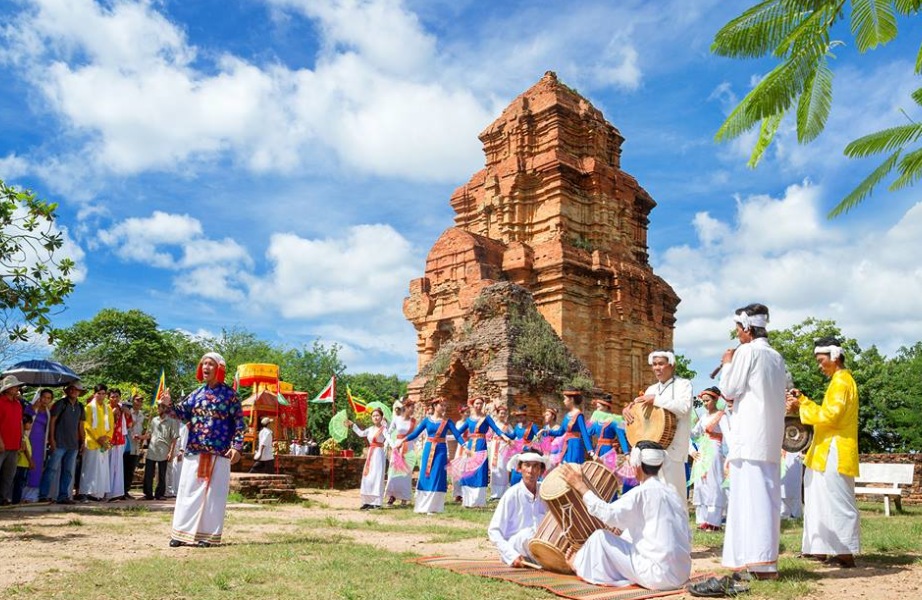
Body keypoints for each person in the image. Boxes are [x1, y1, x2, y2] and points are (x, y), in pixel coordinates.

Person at [561, 441, 692, 591]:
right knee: (624, 534)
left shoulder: (641, 492)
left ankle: (577, 564)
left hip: (657, 576)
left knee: (600, 538)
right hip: (681, 573)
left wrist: (580, 486)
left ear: (637, 466)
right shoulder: (673, 493)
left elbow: (608, 514)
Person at [719, 303, 787, 579]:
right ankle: (763, 563)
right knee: (765, 500)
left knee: (749, 501)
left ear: (747, 328)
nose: (736, 334)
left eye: (737, 329)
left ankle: (757, 564)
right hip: (769, 438)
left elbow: (728, 389)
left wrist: (727, 364)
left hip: (749, 437)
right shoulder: (777, 356)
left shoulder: (747, 352)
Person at [787, 337, 860, 568]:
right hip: (824, 450)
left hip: (835, 450)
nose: (820, 366)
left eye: (821, 361)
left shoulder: (842, 382)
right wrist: (804, 401)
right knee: (816, 498)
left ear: (835, 357)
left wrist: (801, 406)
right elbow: (825, 413)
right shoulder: (838, 381)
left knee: (837, 501)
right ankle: (818, 549)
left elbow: (831, 417)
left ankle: (845, 552)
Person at [166, 352, 245, 547]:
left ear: (219, 369)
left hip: (219, 452)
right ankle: (181, 533)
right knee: (188, 490)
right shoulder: (196, 393)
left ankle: (207, 536)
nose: (206, 367)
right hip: (195, 450)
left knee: (213, 495)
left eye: (210, 364)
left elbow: (239, 424)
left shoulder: (230, 395)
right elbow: (181, 413)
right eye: (203, 364)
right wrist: (168, 404)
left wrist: (237, 446)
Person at [624, 351, 694, 500]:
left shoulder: (683, 385)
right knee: (651, 496)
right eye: (654, 364)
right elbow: (642, 416)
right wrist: (629, 411)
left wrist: (656, 399)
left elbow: (683, 408)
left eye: (661, 364)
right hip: (650, 452)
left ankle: (678, 524)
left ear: (672, 365)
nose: (657, 368)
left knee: (675, 497)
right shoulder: (651, 389)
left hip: (673, 450)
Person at [398, 398, 464, 514]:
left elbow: (457, 435)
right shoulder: (426, 421)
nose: (443, 408)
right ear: (434, 406)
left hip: (441, 450)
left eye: (444, 406)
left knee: (437, 475)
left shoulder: (447, 421)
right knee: (426, 474)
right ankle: (423, 506)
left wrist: (465, 445)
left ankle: (434, 507)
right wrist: (403, 440)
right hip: (428, 449)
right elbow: (415, 433)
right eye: (441, 405)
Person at [487, 450, 550, 566]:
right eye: (527, 465)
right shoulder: (511, 494)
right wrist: (511, 555)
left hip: (541, 546)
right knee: (528, 534)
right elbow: (494, 531)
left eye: (535, 466)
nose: (531, 471)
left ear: (541, 471)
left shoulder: (545, 492)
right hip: (516, 547)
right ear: (519, 469)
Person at [458, 397, 512, 507]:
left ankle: (478, 501)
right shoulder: (469, 420)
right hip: (470, 447)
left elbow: (496, 429)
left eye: (481, 404)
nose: (479, 405)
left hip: (481, 446)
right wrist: (462, 444)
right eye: (477, 403)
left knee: (480, 470)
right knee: (468, 471)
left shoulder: (486, 418)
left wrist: (504, 437)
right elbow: (457, 432)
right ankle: (467, 500)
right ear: (473, 405)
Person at [39, 382, 87, 504]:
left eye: (76, 390)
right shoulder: (61, 404)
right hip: (59, 442)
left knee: (68, 472)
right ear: (67, 391)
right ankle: (43, 495)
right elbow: (52, 422)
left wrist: (83, 441)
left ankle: (63, 496)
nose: (74, 391)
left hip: (73, 444)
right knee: (51, 469)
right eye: (71, 389)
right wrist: (52, 439)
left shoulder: (80, 406)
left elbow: (81, 426)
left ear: (80, 393)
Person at [690, 386, 729, 531]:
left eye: (708, 400)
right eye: (703, 401)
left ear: (715, 400)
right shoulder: (703, 417)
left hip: (714, 448)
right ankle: (702, 519)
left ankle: (714, 520)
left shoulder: (721, 416)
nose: (705, 403)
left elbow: (728, 435)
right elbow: (695, 434)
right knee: (701, 483)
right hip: (702, 450)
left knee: (714, 482)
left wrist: (731, 454)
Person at [345, 408, 388, 509]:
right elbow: (360, 433)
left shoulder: (384, 429)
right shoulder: (370, 429)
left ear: (381, 417)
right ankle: (367, 501)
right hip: (371, 454)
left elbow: (389, 437)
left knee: (377, 477)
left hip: (379, 454)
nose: (375, 417)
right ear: (371, 418)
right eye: (373, 416)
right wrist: (352, 425)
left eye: (377, 415)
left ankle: (376, 503)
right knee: (368, 477)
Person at [80, 383, 113, 501]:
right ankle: (85, 492)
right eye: (99, 393)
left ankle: (97, 494)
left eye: (104, 393)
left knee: (101, 469)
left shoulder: (108, 408)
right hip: (91, 442)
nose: (101, 396)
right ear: (95, 394)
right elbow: (87, 425)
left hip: (104, 443)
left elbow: (111, 426)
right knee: (89, 468)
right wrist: (97, 438)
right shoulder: (88, 407)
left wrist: (106, 438)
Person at [542, 390, 595, 464]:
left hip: (576, 445)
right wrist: (546, 431)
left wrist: (591, 451)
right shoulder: (567, 416)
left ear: (571, 400)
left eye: (565, 398)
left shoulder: (579, 415)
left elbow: (584, 434)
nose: (564, 401)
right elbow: (560, 432)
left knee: (574, 467)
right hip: (567, 445)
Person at [143, 399, 179, 500]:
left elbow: (174, 438)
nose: (158, 408)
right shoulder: (154, 420)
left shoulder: (172, 421)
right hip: (152, 450)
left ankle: (160, 494)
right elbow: (149, 434)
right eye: (158, 406)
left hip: (164, 451)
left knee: (162, 474)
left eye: (159, 406)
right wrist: (140, 437)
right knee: (148, 473)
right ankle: (148, 494)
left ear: (165, 408)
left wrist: (171, 452)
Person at [21, 388, 53, 502]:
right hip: (29, 440)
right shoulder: (30, 407)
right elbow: (24, 421)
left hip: (40, 443)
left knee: (37, 468)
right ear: (40, 397)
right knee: (26, 465)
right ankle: (20, 494)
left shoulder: (48, 412)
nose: (45, 400)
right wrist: (34, 408)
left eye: (48, 398)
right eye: (44, 397)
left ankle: (32, 496)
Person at [0, 375, 26, 505]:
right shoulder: (0, 402)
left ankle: (3, 498)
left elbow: (20, 422)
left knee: (9, 474)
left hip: (14, 444)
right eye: (15, 386)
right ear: (8, 388)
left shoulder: (18, 403)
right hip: (2, 444)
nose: (17, 388)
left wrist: (23, 439)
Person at [384, 399, 416, 506]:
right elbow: (388, 432)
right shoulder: (396, 419)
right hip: (397, 447)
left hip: (408, 447)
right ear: (406, 408)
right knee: (394, 471)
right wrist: (392, 444)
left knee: (406, 473)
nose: (413, 410)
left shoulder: (414, 421)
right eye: (411, 408)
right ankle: (392, 496)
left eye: (413, 408)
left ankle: (404, 497)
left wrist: (414, 445)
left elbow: (416, 435)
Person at [105, 389, 128, 501]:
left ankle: (116, 493)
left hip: (119, 441)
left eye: (117, 396)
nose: (115, 399)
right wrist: (112, 414)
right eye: (112, 397)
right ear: (108, 398)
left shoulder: (122, 408)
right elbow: (105, 424)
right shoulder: (105, 408)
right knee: (108, 467)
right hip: (108, 441)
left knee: (117, 468)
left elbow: (129, 423)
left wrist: (126, 412)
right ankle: (106, 493)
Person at [488, 403, 514, 500]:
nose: (502, 415)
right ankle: (494, 493)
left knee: (503, 468)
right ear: (497, 414)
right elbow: (489, 435)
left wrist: (510, 441)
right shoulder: (493, 424)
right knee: (494, 468)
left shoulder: (508, 426)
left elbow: (512, 436)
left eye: (504, 413)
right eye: (501, 413)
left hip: (503, 448)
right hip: (495, 447)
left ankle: (503, 493)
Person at [509, 405, 539, 486]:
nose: (519, 418)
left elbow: (539, 436)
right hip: (517, 450)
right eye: (518, 416)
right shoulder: (517, 427)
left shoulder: (532, 426)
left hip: (528, 450)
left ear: (525, 415)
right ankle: (515, 486)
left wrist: (533, 444)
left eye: (521, 416)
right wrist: (501, 434)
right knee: (517, 468)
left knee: (526, 467)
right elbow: (512, 436)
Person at [123, 394, 146, 499]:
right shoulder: (127, 412)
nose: (139, 402)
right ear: (133, 401)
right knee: (124, 468)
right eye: (137, 400)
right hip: (127, 444)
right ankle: (121, 490)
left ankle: (126, 490)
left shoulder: (142, 415)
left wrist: (142, 437)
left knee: (131, 469)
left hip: (137, 445)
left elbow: (142, 429)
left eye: (141, 401)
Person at [12, 414, 34, 504]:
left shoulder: (25, 436)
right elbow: (25, 451)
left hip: (23, 464)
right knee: (19, 483)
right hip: (21, 464)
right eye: (29, 423)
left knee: (20, 483)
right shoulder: (22, 437)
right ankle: (16, 500)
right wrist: (30, 461)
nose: (30, 425)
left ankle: (17, 499)